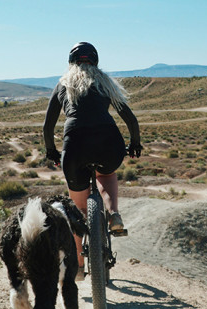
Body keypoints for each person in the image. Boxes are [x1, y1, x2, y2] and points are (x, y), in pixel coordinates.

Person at [43, 42, 141, 276]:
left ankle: (77, 266)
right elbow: (130, 118)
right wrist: (135, 143)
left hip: (75, 146)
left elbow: (48, 126)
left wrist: (52, 152)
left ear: (71, 62)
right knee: (106, 174)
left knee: (77, 208)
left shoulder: (63, 83)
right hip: (109, 143)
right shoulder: (105, 82)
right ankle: (113, 213)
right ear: (95, 61)